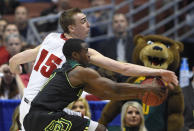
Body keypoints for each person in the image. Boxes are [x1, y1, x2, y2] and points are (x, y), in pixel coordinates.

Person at [9, 8, 178, 130]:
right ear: (71, 28)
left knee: (92, 125)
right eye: (83, 21)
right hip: (43, 111)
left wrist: (15, 67)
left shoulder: (51, 38)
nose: (89, 25)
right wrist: (158, 72)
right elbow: (123, 68)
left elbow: (19, 58)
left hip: (28, 107)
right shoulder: (80, 54)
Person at [23, 38, 164, 131]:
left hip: (35, 118)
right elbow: (113, 88)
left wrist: (139, 94)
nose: (89, 56)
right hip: (45, 117)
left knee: (97, 127)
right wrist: (146, 88)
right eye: (86, 52)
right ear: (75, 55)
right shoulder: (80, 72)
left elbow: (105, 93)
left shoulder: (69, 71)